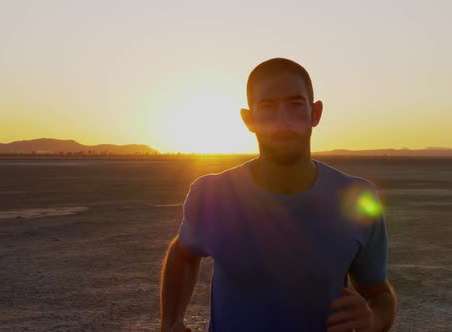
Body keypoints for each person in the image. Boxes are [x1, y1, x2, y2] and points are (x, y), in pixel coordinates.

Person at [160, 58, 397, 332]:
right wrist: (170, 322)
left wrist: (372, 320)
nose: (282, 122)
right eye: (268, 107)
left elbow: (379, 294)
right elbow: (183, 254)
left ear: (315, 113)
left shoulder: (355, 198)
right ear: (249, 119)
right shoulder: (212, 195)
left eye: (295, 105)